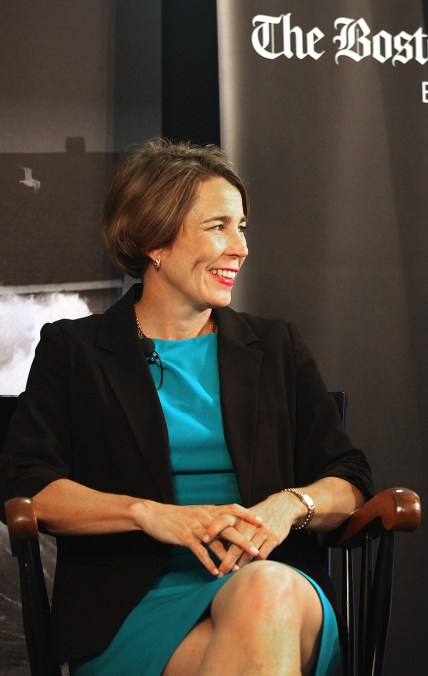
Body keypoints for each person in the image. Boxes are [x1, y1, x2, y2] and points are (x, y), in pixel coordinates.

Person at [0, 139, 373, 675]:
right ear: (154, 240)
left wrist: (290, 505)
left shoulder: (276, 346)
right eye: (218, 227)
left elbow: (349, 479)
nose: (241, 248)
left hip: (278, 585)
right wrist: (149, 514)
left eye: (241, 227)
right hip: (128, 606)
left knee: (265, 592)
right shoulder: (73, 350)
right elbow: (28, 485)